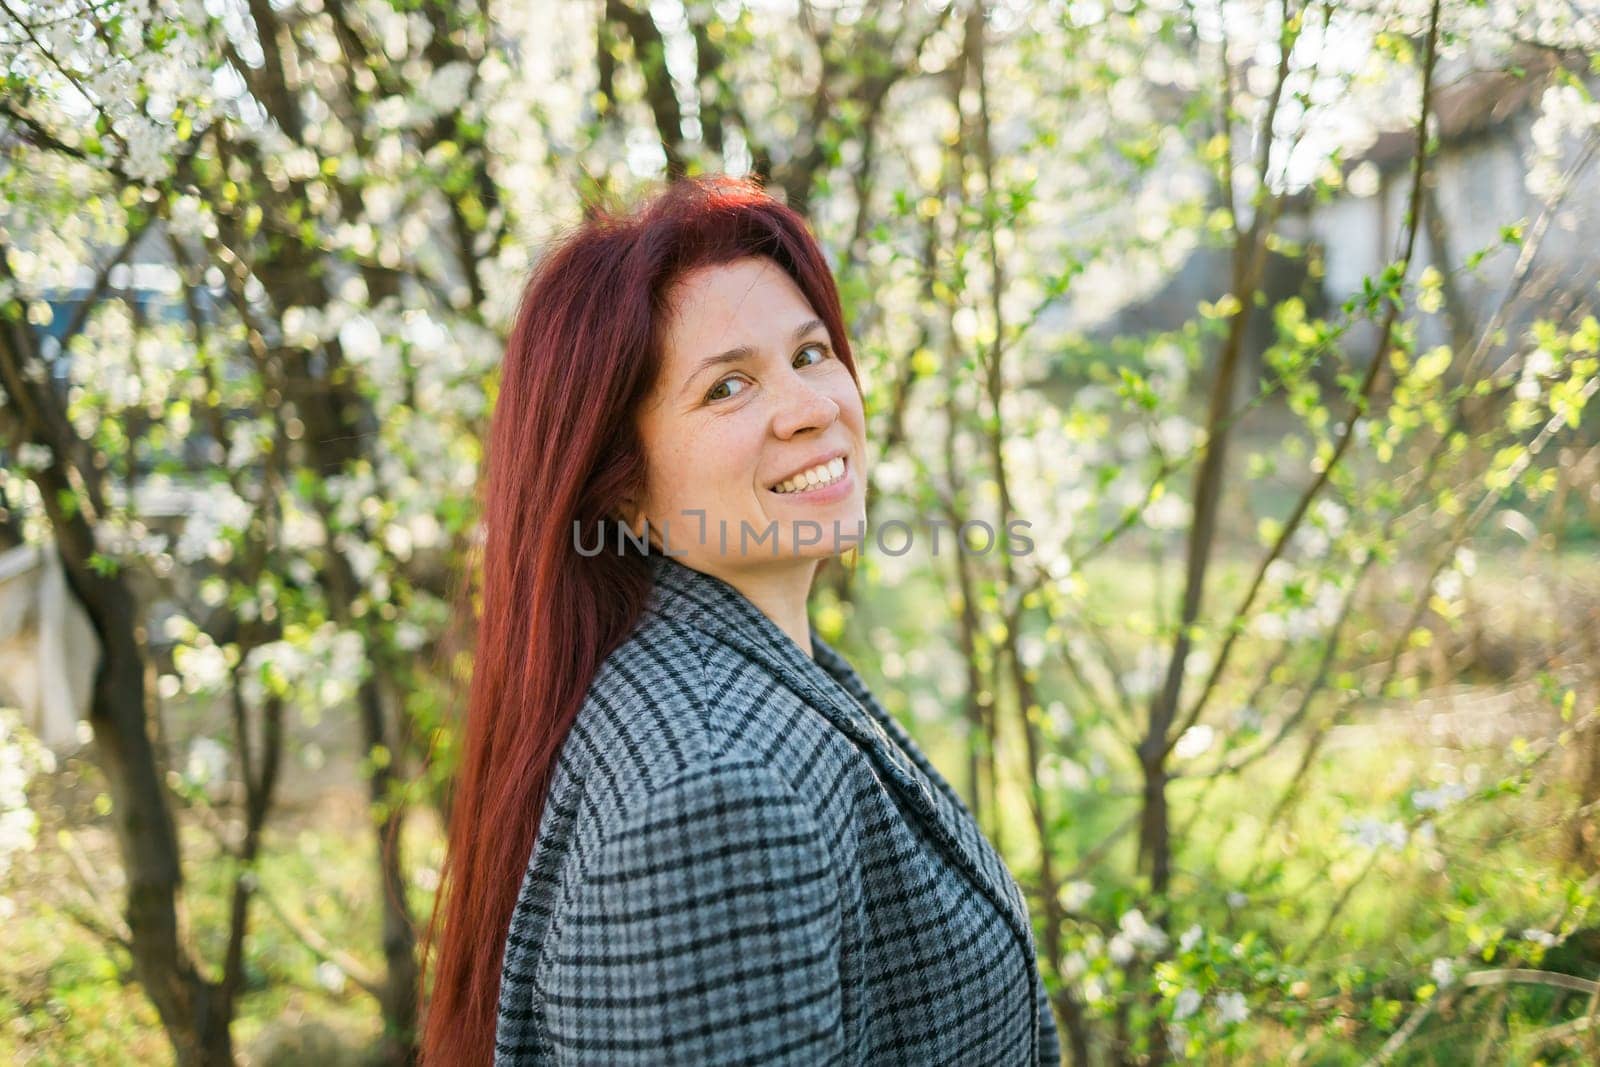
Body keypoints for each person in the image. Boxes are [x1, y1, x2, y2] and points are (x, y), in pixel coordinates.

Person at [421, 174, 1061, 1066]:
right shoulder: (712, 789)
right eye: (728, 387)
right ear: (625, 486)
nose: (812, 409)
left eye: (809, 355)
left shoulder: (750, 670)